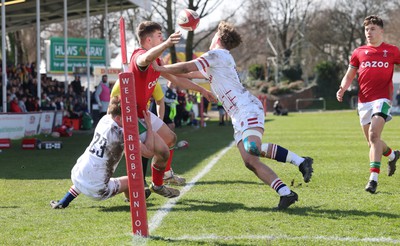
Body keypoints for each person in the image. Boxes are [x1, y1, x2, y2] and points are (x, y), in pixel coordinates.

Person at [152, 21, 313, 209]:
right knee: (250, 162)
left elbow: (187, 68)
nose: (211, 38)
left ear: (218, 38)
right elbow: (187, 75)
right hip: (238, 115)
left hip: (246, 108)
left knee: (252, 147)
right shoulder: (218, 59)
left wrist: (161, 69)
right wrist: (162, 70)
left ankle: (301, 161)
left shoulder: (216, 54)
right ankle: (286, 193)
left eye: (213, 35)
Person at [110, 21, 216, 199]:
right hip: (129, 116)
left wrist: (203, 91)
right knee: (158, 151)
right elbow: (145, 59)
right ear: (149, 40)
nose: (163, 37)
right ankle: (143, 186)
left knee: (171, 138)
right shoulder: (140, 56)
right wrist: (167, 44)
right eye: (160, 35)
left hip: (143, 112)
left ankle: (158, 181)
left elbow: (177, 79)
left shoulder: (157, 61)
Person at [50, 97, 156, 209]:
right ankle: (134, 198)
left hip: (77, 174)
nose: (132, 120)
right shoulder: (123, 134)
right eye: (128, 117)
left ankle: (64, 201)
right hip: (98, 190)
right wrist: (149, 125)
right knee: (132, 180)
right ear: (119, 118)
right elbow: (149, 153)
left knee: (89, 174)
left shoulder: (104, 119)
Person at [336, 15, 400, 194]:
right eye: (366, 29)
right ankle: (393, 155)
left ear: (381, 31)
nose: (369, 33)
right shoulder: (358, 52)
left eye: (372, 29)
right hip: (363, 102)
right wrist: (342, 88)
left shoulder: (392, 51)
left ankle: (373, 180)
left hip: (383, 100)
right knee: (372, 142)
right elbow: (349, 75)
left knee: (373, 136)